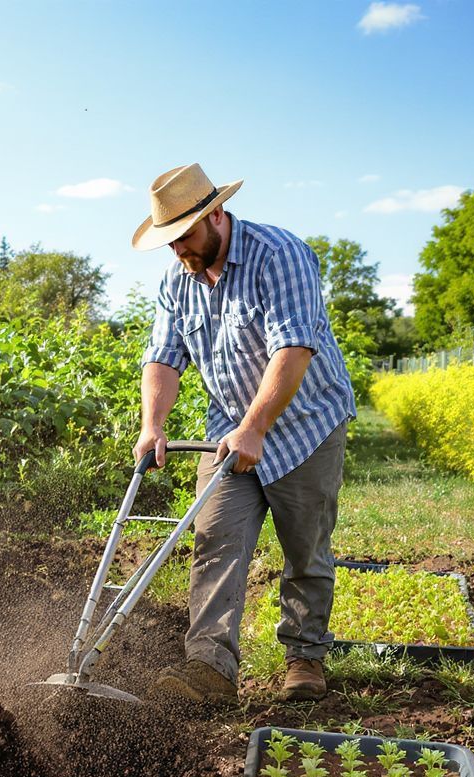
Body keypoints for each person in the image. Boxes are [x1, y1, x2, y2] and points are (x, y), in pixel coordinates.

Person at [130, 163, 356, 703]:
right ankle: (209, 668)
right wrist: (152, 426)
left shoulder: (278, 255)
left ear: (215, 215)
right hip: (228, 432)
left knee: (304, 548)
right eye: (169, 242)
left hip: (305, 425)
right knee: (214, 539)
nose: (178, 251)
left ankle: (304, 657)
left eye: (184, 237)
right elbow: (163, 358)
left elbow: (294, 348)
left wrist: (257, 428)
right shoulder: (176, 279)